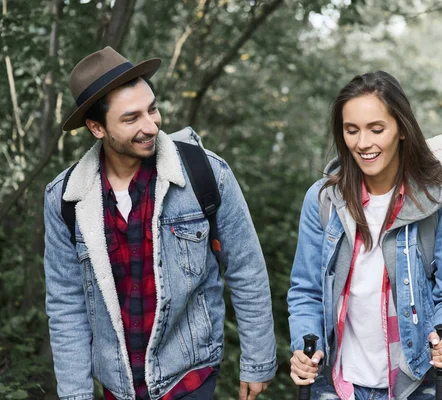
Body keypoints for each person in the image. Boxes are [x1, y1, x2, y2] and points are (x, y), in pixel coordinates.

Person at [43, 47, 276, 400]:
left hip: (190, 377)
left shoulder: (205, 172)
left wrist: (257, 362)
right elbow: (65, 305)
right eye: (131, 118)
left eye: (152, 108)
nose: (151, 125)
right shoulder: (65, 198)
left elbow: (246, 270)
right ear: (96, 127)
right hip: (117, 386)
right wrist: (76, 394)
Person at [287, 71, 442, 400]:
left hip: (414, 383)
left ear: (401, 129)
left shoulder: (437, 201)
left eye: (376, 129)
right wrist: (304, 343)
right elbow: (305, 291)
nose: (363, 143)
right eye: (351, 130)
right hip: (336, 385)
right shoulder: (323, 200)